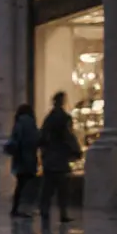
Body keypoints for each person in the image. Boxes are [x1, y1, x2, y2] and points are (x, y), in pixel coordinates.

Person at [38, 91, 79, 223]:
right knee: (62, 188)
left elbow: (43, 137)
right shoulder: (64, 118)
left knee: (48, 188)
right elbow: (69, 136)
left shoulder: (49, 119)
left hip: (50, 157)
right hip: (60, 157)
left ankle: (45, 210)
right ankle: (62, 213)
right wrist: (75, 150)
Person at [7, 104, 40, 218]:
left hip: (19, 158)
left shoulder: (18, 123)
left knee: (20, 184)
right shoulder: (30, 123)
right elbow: (36, 138)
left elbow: (16, 139)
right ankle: (22, 208)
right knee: (26, 184)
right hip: (28, 157)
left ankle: (16, 208)